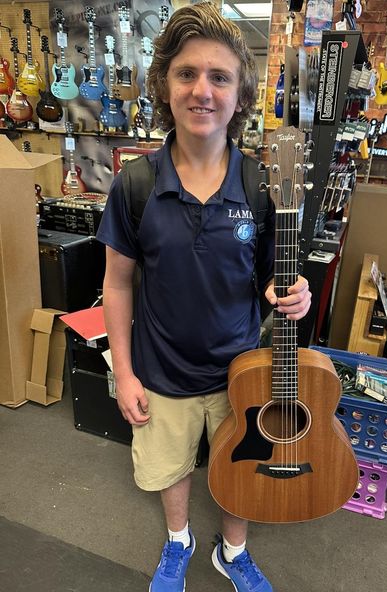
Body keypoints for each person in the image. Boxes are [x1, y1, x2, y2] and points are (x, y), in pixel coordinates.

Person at [96, 3, 312, 591]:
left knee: (239, 470)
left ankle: (232, 551)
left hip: (239, 373)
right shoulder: (135, 183)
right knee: (171, 470)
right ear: (164, 84)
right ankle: (178, 542)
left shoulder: (261, 185)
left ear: (240, 95)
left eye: (219, 77)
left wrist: (295, 296)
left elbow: (275, 279)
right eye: (186, 73)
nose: (202, 90)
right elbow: (116, 284)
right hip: (160, 370)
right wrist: (124, 372)